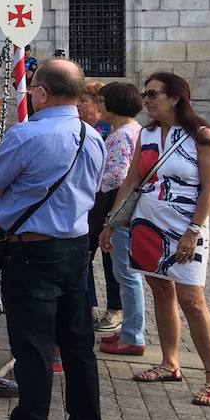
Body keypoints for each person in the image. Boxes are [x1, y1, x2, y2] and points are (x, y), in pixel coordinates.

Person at [0, 59, 104, 420]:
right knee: (79, 348)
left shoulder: (28, 134)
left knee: (32, 351)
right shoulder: (94, 136)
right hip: (76, 249)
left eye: (32, 89)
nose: (30, 94)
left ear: (43, 93)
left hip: (32, 251)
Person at [102, 72, 210, 406]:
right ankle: (170, 363)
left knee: (191, 298)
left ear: (175, 97)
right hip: (148, 224)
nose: (147, 100)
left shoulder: (201, 135)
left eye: (153, 94)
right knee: (160, 290)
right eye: (146, 94)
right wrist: (111, 223)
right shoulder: (148, 133)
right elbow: (132, 180)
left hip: (186, 227)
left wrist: (195, 231)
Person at [88, 82, 141, 346]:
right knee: (123, 271)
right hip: (116, 204)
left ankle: (132, 333)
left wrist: (107, 217)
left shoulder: (122, 136)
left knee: (125, 272)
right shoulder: (128, 131)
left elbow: (115, 178)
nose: (98, 106)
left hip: (113, 204)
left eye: (102, 102)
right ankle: (129, 330)